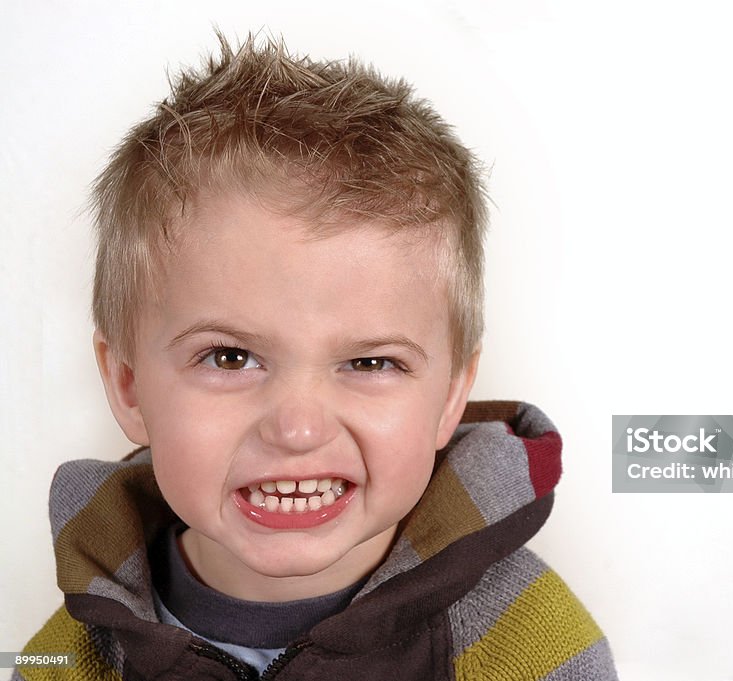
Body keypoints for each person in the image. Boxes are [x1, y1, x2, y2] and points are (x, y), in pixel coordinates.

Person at [15, 31, 617, 681]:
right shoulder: (63, 662)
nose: (298, 428)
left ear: (449, 397)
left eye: (370, 363)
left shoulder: (536, 648)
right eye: (228, 357)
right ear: (128, 383)